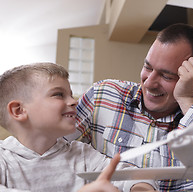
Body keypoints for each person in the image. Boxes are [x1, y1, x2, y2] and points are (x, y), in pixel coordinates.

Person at [66, 23, 193, 191]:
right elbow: (51, 146)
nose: (149, 83)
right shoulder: (104, 94)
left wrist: (187, 98)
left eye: (167, 76)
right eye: (147, 67)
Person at [0, 63, 157, 192]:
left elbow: (132, 175)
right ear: (19, 111)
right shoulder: (4, 159)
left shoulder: (81, 154)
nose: (74, 101)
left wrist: (140, 186)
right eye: (58, 94)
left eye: (71, 94)